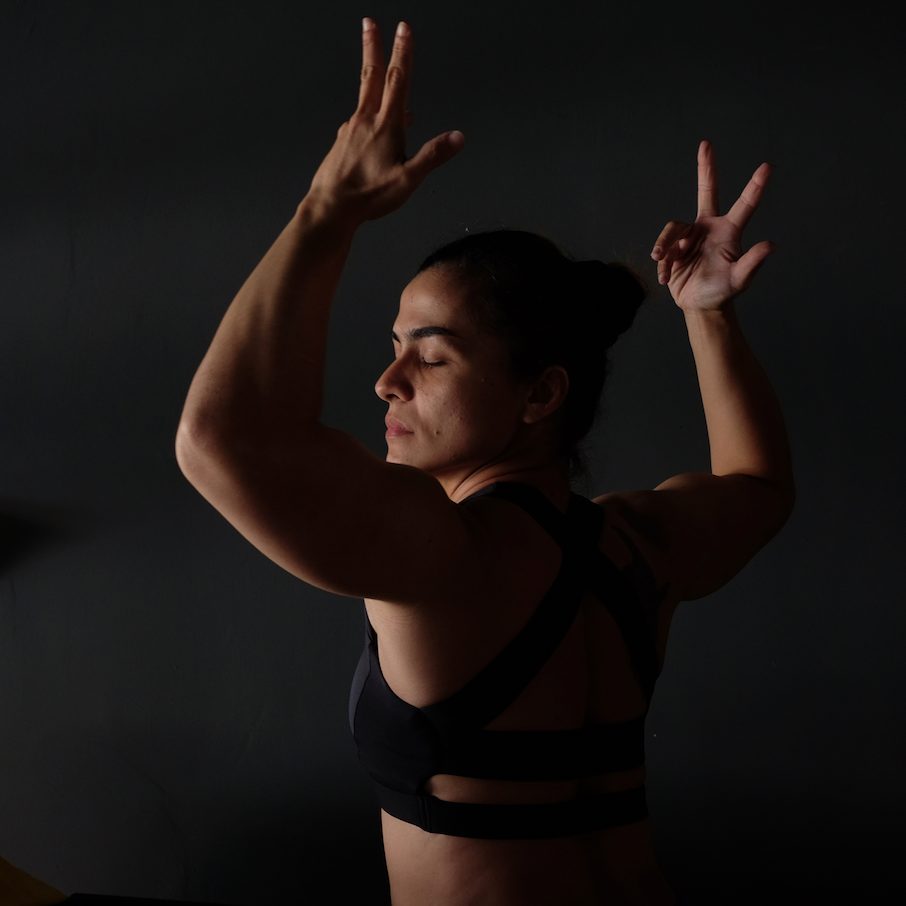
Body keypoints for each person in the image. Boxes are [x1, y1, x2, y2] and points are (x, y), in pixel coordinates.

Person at [175, 17, 795, 906]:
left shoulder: (441, 550)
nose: (387, 381)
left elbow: (221, 438)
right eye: (394, 349)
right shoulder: (639, 547)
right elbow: (757, 487)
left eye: (430, 356)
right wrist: (709, 315)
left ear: (540, 395)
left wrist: (328, 209)